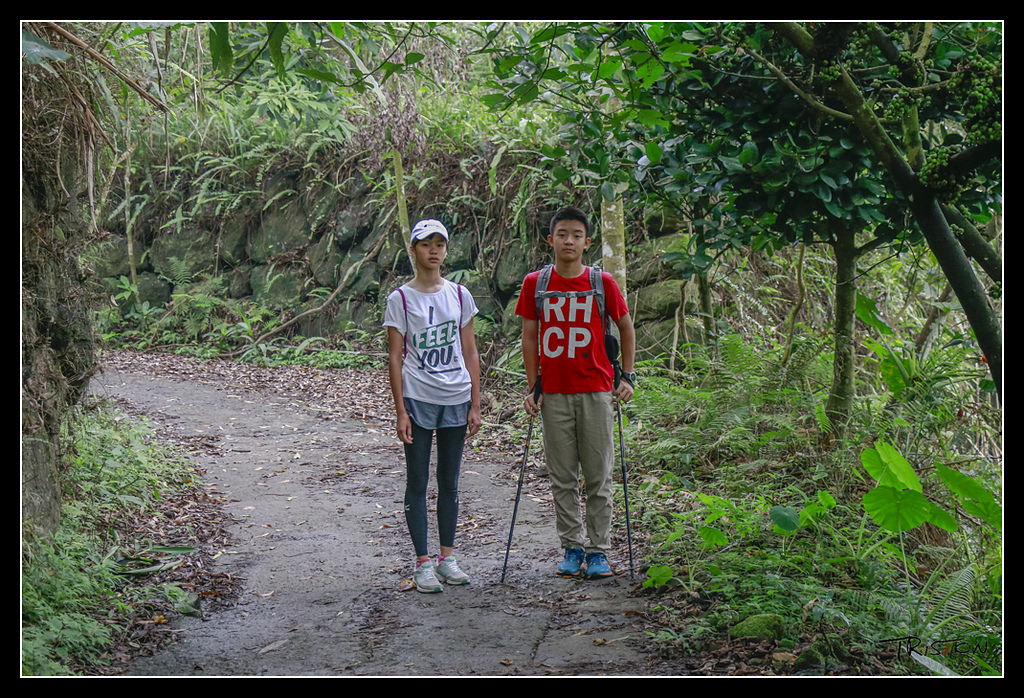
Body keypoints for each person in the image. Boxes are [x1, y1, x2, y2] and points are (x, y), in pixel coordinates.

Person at [514, 206, 636, 579]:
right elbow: (530, 336)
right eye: (562, 234)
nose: (569, 240)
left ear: (587, 242)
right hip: (554, 394)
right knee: (562, 476)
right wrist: (534, 386)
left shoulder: (603, 283)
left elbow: (626, 329)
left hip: (597, 391)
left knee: (599, 476)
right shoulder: (536, 283)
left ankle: (598, 551)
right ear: (550, 240)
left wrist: (627, 377)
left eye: (577, 235)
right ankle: (571, 547)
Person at [384, 219, 482, 593]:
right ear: (413, 250)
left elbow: (470, 350)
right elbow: (394, 358)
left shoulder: (459, 295)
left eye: (440, 243)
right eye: (427, 244)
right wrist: (400, 411)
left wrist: (475, 403)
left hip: (456, 396)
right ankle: (422, 563)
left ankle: (447, 558)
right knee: (418, 480)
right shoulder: (401, 299)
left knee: (450, 482)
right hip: (418, 397)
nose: (434, 250)